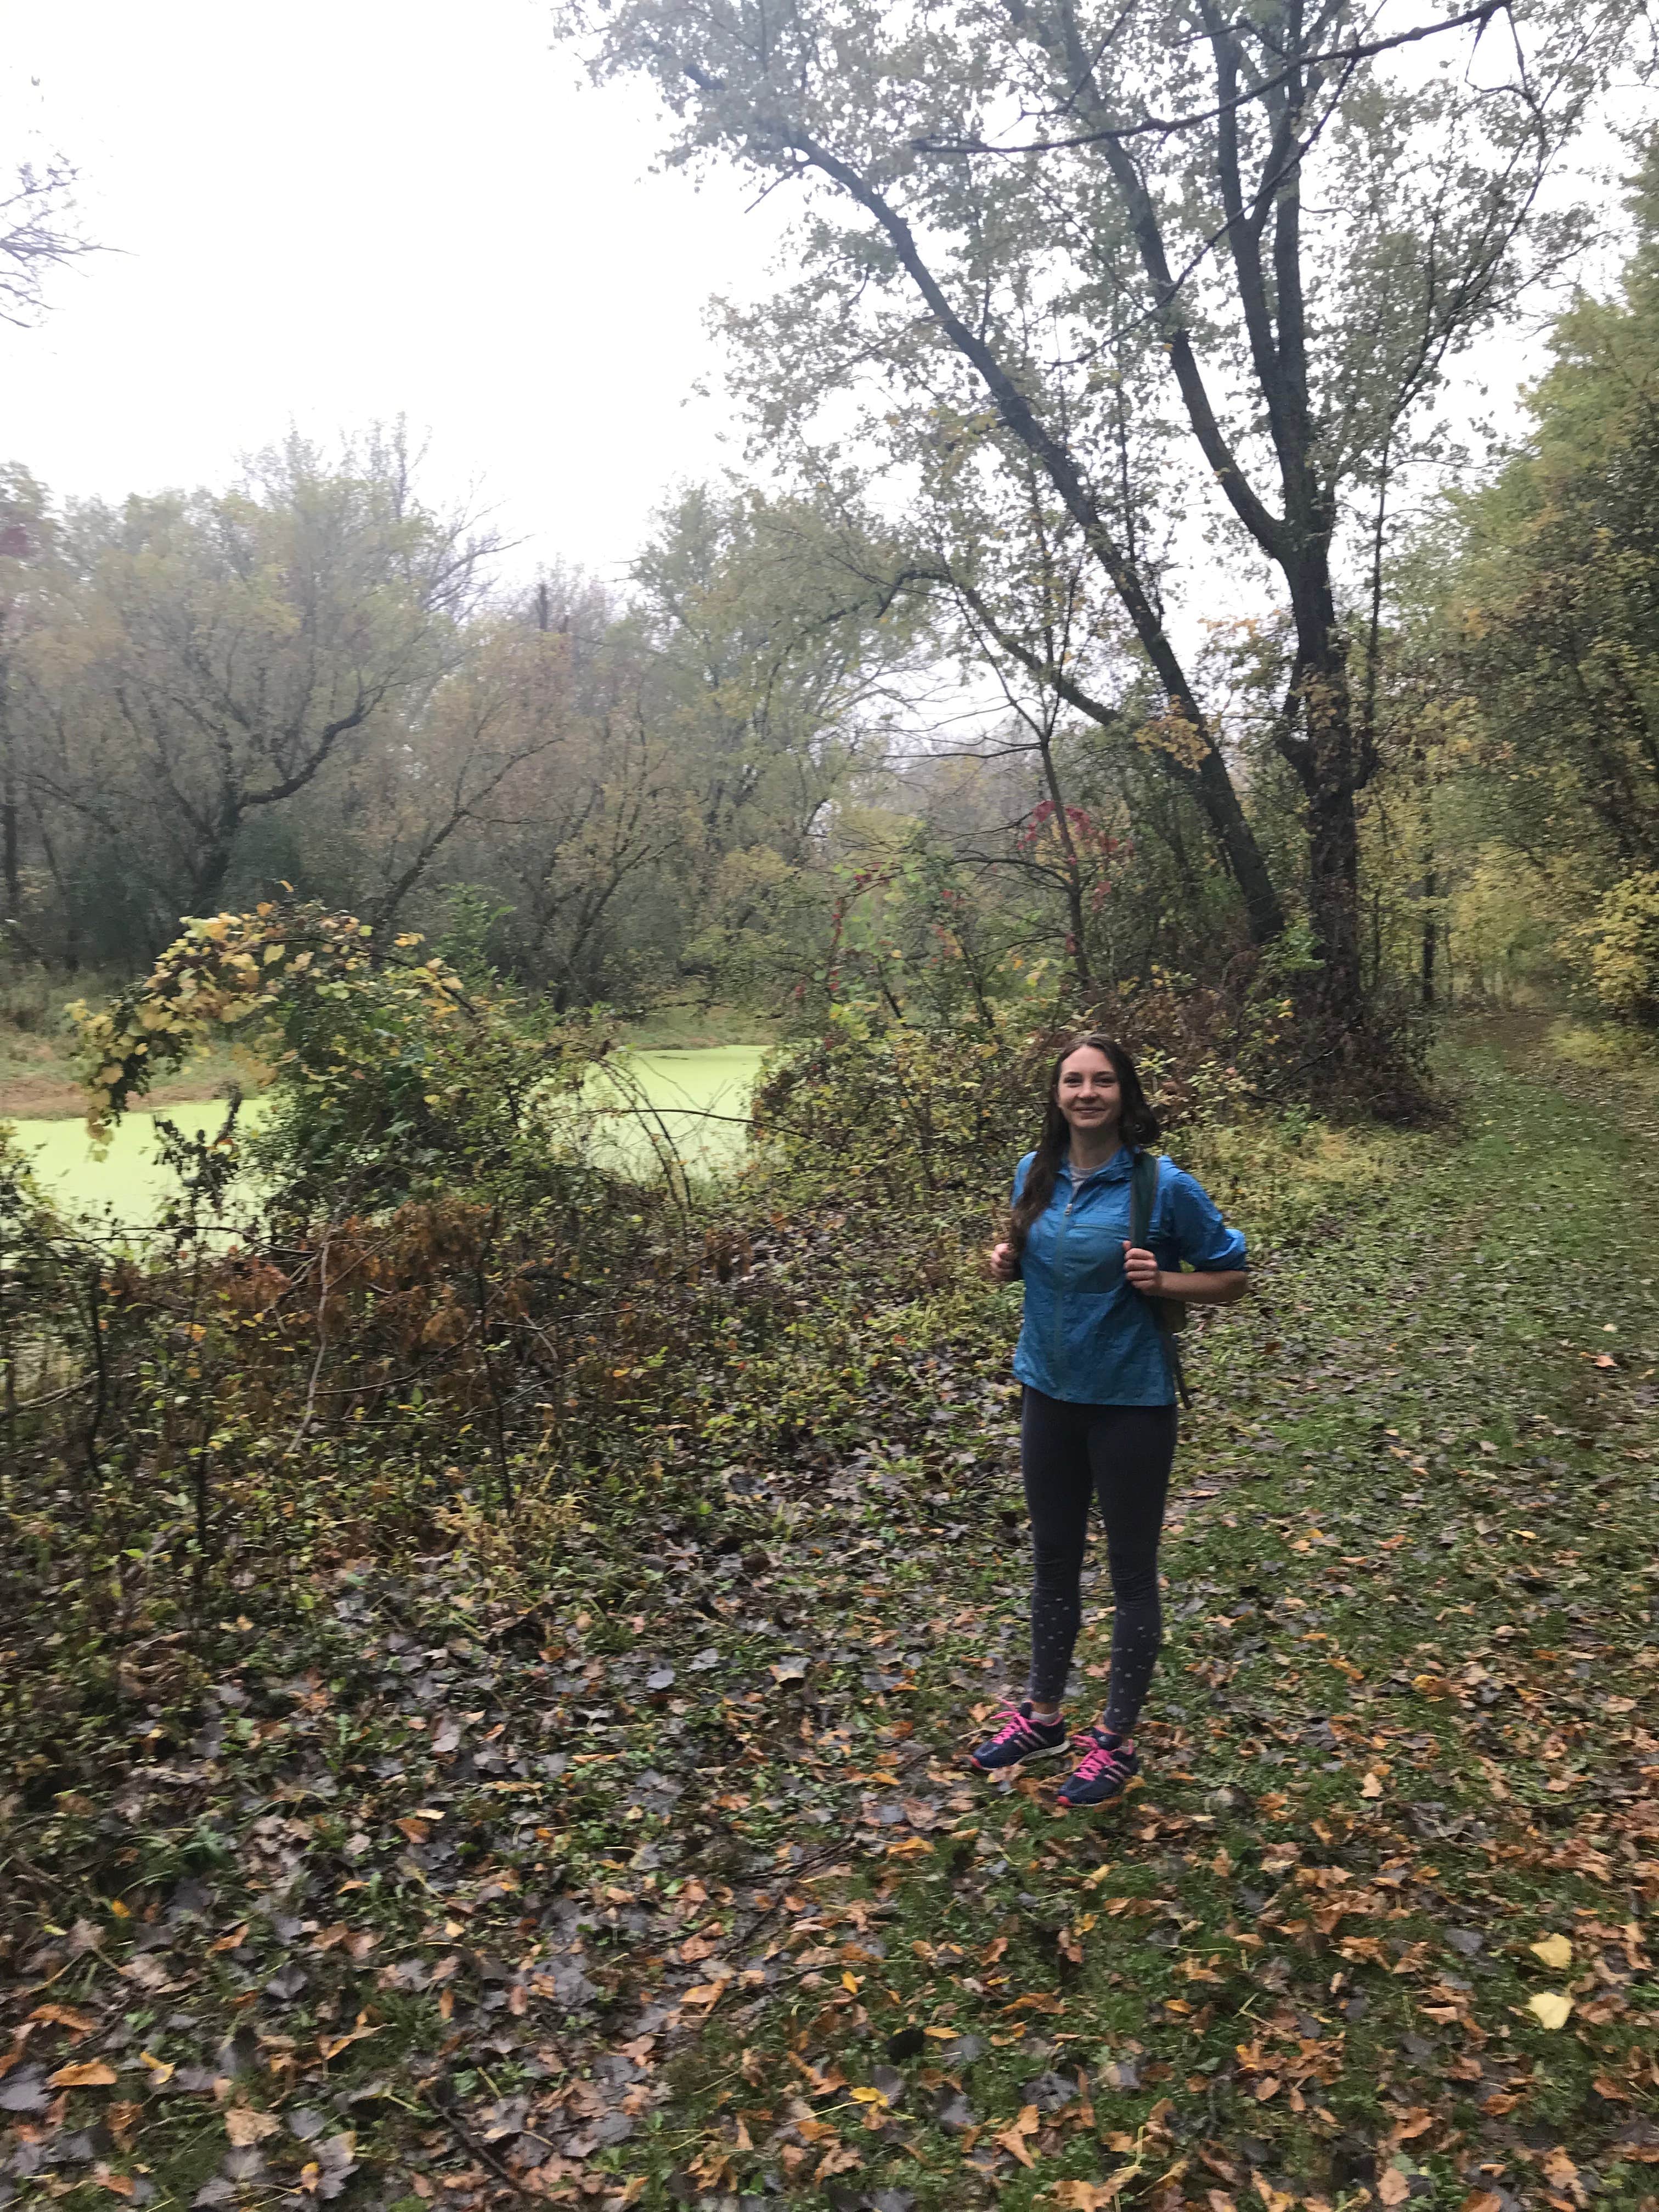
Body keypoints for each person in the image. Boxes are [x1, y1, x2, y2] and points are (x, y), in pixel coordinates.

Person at [969, 1031, 1248, 1809]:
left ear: (1125, 1095)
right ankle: (1044, 1718)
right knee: (1053, 1558)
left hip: (1130, 1400)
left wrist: (1166, 1281)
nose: (1086, 1093)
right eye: (1073, 1081)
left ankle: (1116, 1740)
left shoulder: (1163, 1186)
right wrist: (1006, 1262)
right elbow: (1036, 1259)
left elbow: (1233, 1277)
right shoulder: (1035, 1171)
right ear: (1056, 1095)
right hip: (1048, 1394)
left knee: (1129, 1571)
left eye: (1101, 1081)